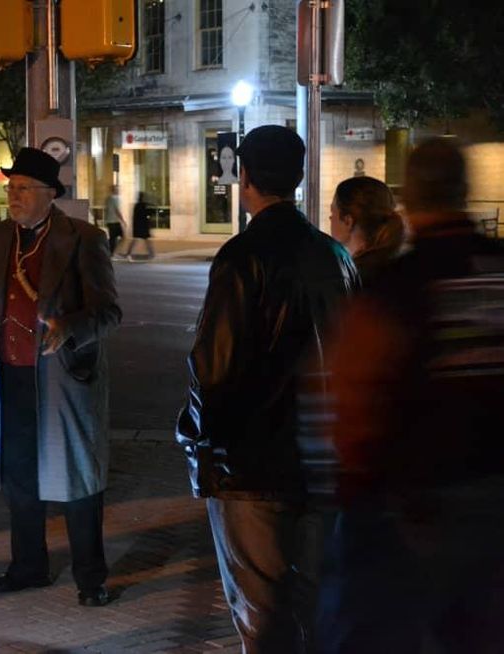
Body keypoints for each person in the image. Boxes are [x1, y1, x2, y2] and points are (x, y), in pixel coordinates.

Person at [176, 125, 359, 653]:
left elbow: (214, 369)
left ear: (246, 178)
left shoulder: (241, 257)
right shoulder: (336, 257)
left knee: (262, 615)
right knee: (313, 606)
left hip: (251, 467)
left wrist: (200, 442)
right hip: (322, 460)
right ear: (298, 178)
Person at [317, 138, 504, 653]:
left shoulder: (395, 287)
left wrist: (357, 484)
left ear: (412, 200)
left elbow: (355, 403)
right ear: (464, 192)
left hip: (416, 505)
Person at [0, 146, 121, 608]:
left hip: (64, 382)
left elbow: (109, 312)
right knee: (19, 477)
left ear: (50, 193)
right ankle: (29, 567)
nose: (14, 195)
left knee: (78, 481)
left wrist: (69, 329)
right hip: (10, 378)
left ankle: (91, 577)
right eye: (11, 187)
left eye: (24, 188)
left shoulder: (83, 238)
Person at [329, 176, 405, 285]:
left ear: (348, 221)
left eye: (332, 213)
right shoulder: (401, 266)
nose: (330, 218)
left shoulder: (351, 280)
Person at [123, 191, 154, 261]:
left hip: (138, 226)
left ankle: (129, 253)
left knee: (137, 240)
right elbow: (146, 214)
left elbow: (135, 217)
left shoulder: (137, 205)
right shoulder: (143, 205)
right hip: (142, 226)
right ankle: (151, 254)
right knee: (145, 240)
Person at [103, 185, 126, 256]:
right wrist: (123, 220)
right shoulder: (114, 199)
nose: (119, 191)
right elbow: (117, 210)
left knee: (113, 238)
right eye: (117, 189)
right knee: (121, 237)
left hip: (110, 221)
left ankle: (111, 252)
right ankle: (113, 252)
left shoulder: (108, 199)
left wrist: (106, 220)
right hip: (114, 221)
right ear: (114, 190)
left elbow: (106, 210)